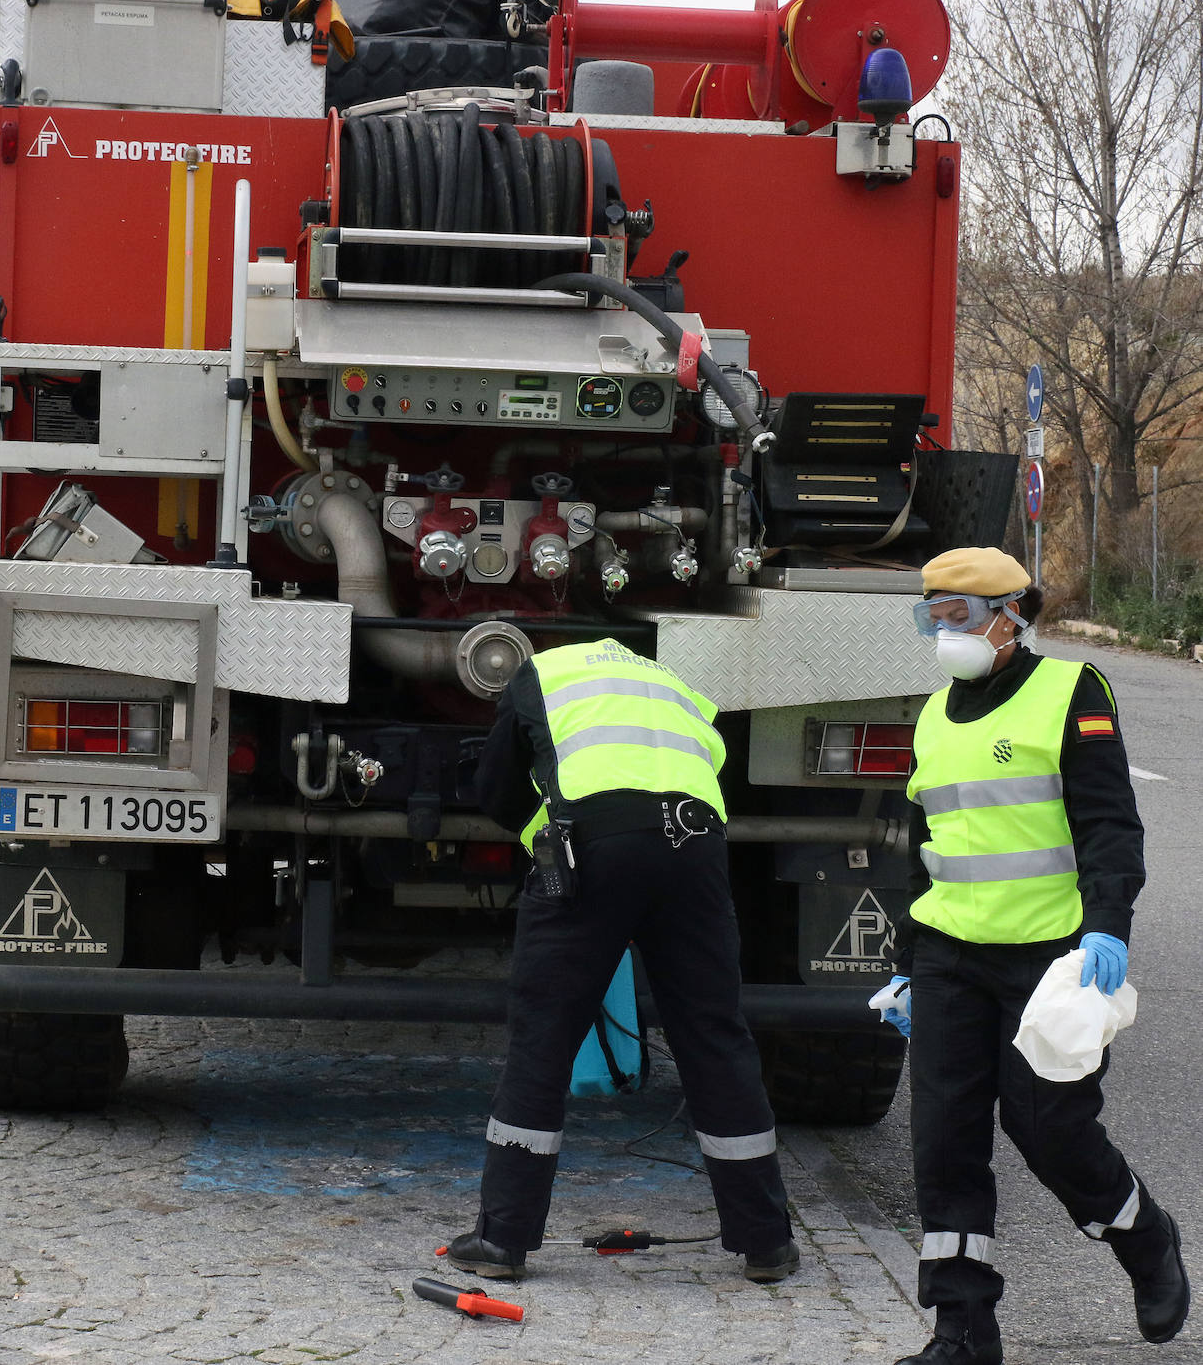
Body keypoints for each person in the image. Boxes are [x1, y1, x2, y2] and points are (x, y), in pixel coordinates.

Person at [876, 547, 1189, 1365]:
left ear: (1014, 617)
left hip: (1049, 956)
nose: (947, 633)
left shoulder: (1069, 693)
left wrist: (1108, 925)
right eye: (933, 616)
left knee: (1049, 1128)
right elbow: (923, 846)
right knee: (943, 1141)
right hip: (950, 955)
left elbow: (1110, 824)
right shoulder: (934, 713)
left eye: (963, 616)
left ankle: (1145, 1238)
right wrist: (908, 958)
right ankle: (962, 1330)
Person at [444, 636, 799, 1284]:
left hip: (595, 844)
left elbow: (495, 792)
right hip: (695, 842)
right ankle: (766, 1242)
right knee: (715, 1036)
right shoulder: (670, 683)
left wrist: (545, 837)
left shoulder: (536, 674)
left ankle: (503, 1239)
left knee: (544, 1038)